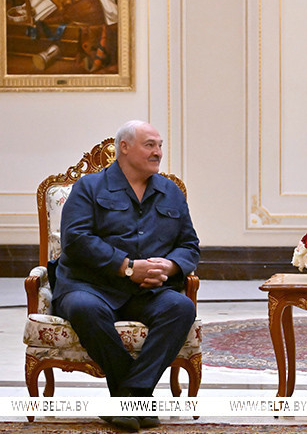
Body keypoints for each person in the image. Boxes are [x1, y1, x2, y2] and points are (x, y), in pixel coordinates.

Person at [52, 120, 199, 432]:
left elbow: (189, 245)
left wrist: (169, 266)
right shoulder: (89, 187)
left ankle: (129, 396)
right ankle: (135, 398)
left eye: (159, 145)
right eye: (149, 145)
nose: (158, 152)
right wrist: (127, 267)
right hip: (90, 286)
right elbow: (76, 240)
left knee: (181, 308)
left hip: (148, 291)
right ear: (125, 147)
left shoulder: (170, 192)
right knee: (84, 308)